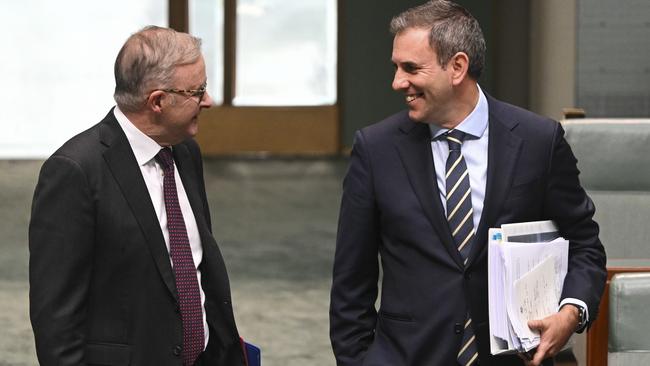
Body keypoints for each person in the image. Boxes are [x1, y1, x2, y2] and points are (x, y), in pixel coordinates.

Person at [329, 1, 607, 365]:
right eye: (396, 67)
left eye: (411, 68)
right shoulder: (376, 149)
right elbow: (351, 283)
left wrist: (571, 313)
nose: (398, 82)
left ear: (457, 67)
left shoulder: (538, 141)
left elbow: (584, 245)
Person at [29, 26, 246, 366]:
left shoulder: (185, 152)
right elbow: (56, 320)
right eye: (197, 90)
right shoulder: (75, 171)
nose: (208, 101)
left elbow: (197, 266)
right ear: (157, 101)